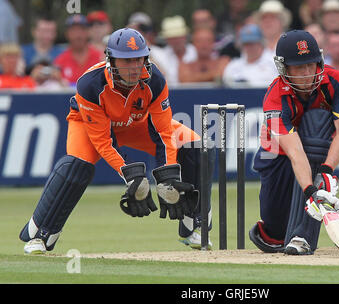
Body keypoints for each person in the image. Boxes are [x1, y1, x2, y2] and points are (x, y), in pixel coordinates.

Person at [19, 28, 214, 255]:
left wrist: (166, 175)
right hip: (91, 127)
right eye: (127, 60)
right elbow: (103, 141)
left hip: (136, 124)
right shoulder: (90, 84)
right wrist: (130, 175)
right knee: (75, 167)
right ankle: (41, 235)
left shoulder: (155, 79)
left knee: (196, 146)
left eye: (139, 59)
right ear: (111, 60)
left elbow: (164, 132)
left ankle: (195, 227)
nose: (134, 67)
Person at [249, 30, 339, 255]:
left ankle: (301, 237)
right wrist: (310, 192)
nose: (307, 74)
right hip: (277, 155)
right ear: (284, 69)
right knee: (275, 232)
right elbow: (295, 152)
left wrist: (326, 172)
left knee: (317, 119)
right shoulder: (274, 97)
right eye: (299, 67)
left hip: (315, 149)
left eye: (311, 65)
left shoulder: (337, 81)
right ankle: (282, 233)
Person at [53, 15, 103, 87]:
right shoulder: (60, 60)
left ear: (88, 32)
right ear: (67, 34)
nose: (78, 35)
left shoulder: (100, 57)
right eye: (73, 30)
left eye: (82, 30)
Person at [151, 15, 197, 87]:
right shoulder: (161, 55)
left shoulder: (195, 51)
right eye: (172, 37)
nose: (176, 41)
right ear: (166, 39)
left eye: (179, 36)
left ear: (185, 36)